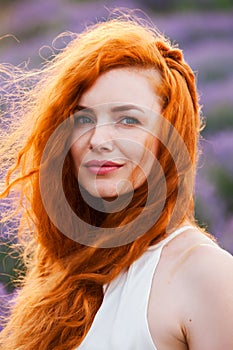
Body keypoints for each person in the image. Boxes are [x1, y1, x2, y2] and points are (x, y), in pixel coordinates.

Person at [0, 11, 233, 350]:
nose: (98, 139)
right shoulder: (65, 272)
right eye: (83, 119)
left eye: (127, 119)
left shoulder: (206, 274)